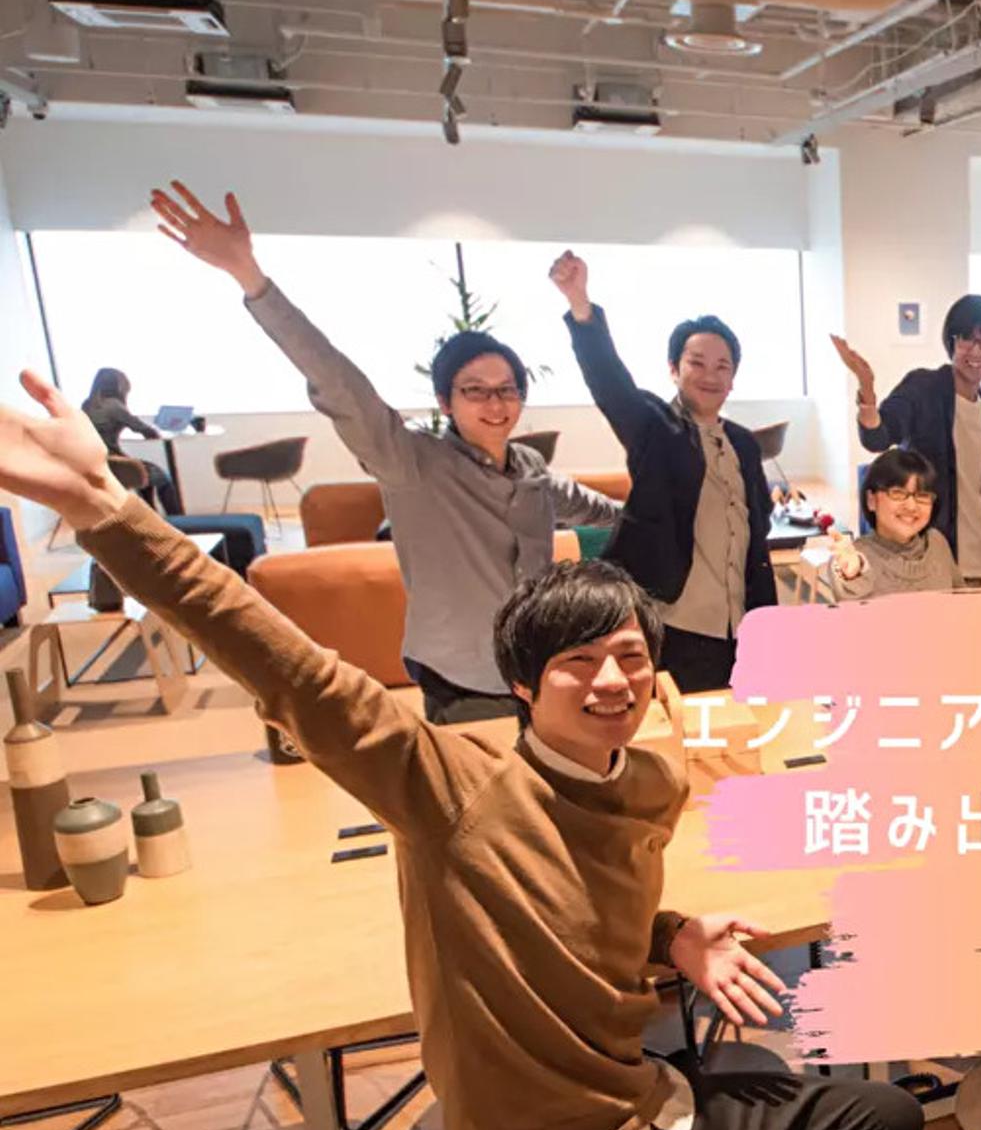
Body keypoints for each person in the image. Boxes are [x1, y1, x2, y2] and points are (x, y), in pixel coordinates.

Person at [0, 369, 924, 1130]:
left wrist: (671, 933)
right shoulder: (449, 786)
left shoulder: (647, 780)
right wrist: (108, 510)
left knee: (888, 1117)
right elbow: (292, 671)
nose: (612, 680)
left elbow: (583, 915)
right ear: (522, 684)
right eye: (577, 662)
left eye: (631, 657)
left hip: (653, 1101)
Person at [150, 183, 620, 725]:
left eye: (507, 389)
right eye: (475, 390)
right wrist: (249, 276)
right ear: (445, 401)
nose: (495, 404)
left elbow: (599, 510)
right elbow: (339, 382)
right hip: (465, 677)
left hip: (537, 666)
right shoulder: (412, 463)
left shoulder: (530, 470)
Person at [550, 251, 776, 694]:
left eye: (722, 366)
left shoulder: (744, 443)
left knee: (742, 721)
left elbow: (758, 524)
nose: (710, 375)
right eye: (696, 363)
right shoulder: (655, 428)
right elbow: (611, 385)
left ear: (733, 379)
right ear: (674, 370)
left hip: (743, 624)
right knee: (679, 724)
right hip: (676, 623)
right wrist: (580, 305)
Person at [832, 296, 981, 588]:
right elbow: (878, 437)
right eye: (966, 338)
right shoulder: (924, 388)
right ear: (951, 342)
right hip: (933, 562)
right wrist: (866, 389)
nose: (976, 351)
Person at [826, 446, 960, 600]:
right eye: (898, 493)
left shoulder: (937, 542)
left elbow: (961, 598)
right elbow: (848, 595)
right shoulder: (856, 556)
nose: (911, 506)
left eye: (922, 495)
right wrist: (854, 572)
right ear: (871, 500)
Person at [79, 368, 185, 516]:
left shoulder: (86, 405)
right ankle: (178, 521)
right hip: (117, 465)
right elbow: (144, 430)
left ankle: (150, 517)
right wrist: (155, 430)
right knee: (161, 476)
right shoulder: (115, 406)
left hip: (97, 464)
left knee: (145, 476)